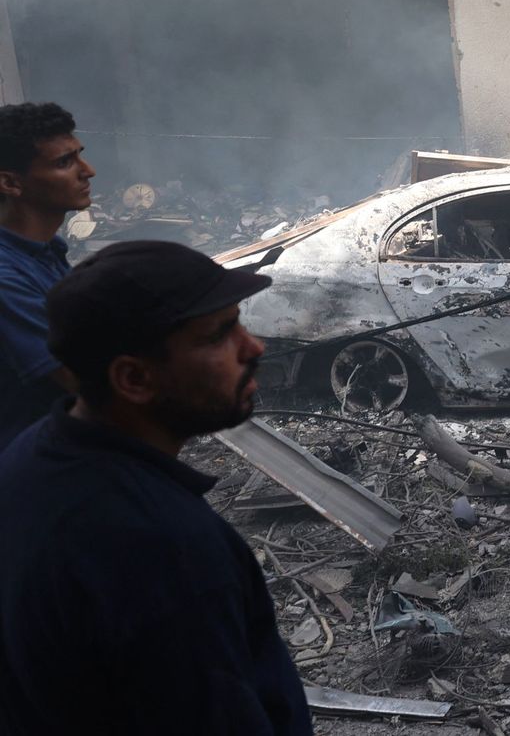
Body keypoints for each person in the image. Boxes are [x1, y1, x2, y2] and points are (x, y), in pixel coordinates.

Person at [0, 240, 313, 734]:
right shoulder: (165, 551)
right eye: (218, 335)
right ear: (133, 378)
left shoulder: (29, 459)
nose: (253, 347)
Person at [0, 101, 93, 447]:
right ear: (10, 182)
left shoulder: (46, 251)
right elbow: (83, 381)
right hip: (27, 472)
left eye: (79, 155)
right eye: (65, 162)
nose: (89, 171)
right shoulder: (6, 279)